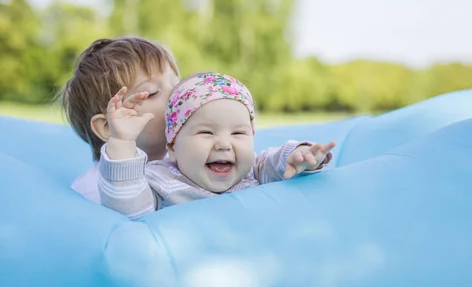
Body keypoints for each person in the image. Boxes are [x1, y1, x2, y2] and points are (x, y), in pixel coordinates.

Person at [97, 72, 336, 219]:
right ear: (172, 145)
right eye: (206, 132)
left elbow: (275, 163)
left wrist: (297, 156)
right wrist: (122, 142)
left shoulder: (253, 170)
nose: (223, 143)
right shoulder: (161, 183)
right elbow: (128, 208)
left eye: (239, 132)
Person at [60, 36, 180, 203]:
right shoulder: (93, 194)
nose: (177, 93)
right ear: (108, 127)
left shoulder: (188, 159)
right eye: (152, 92)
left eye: (176, 84)